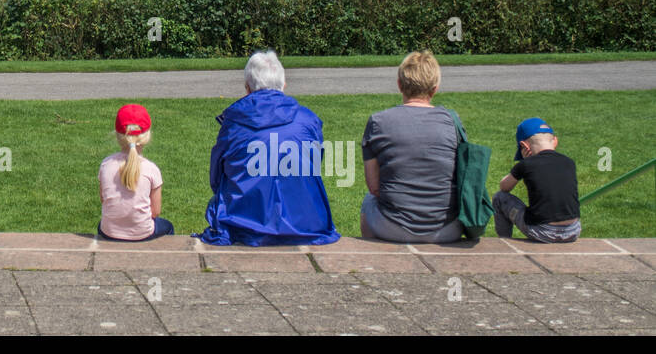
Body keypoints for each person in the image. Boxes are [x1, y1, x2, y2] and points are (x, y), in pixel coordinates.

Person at [200, 50, 339, 245]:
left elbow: (216, 177)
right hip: (306, 224)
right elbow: (313, 166)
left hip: (243, 225)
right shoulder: (308, 120)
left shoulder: (233, 123)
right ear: (284, 85)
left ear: (247, 88)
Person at [360, 51, 464, 243]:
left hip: (392, 226)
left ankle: (374, 257)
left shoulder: (378, 121)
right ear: (435, 89)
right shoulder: (452, 121)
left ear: (400, 85)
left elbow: (374, 187)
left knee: (368, 201)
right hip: (448, 228)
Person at [494, 118, 581, 243]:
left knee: (499, 198)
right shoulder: (569, 162)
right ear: (555, 141)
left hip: (543, 231)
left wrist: (522, 164)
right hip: (573, 231)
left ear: (524, 145)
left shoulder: (526, 164)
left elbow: (504, 187)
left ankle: (504, 241)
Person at [98, 104, 174, 241]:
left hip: (109, 231)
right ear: (147, 136)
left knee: (101, 225)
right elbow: (155, 212)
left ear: (117, 135)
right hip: (142, 232)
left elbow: (104, 200)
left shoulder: (106, 164)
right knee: (168, 226)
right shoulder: (151, 169)